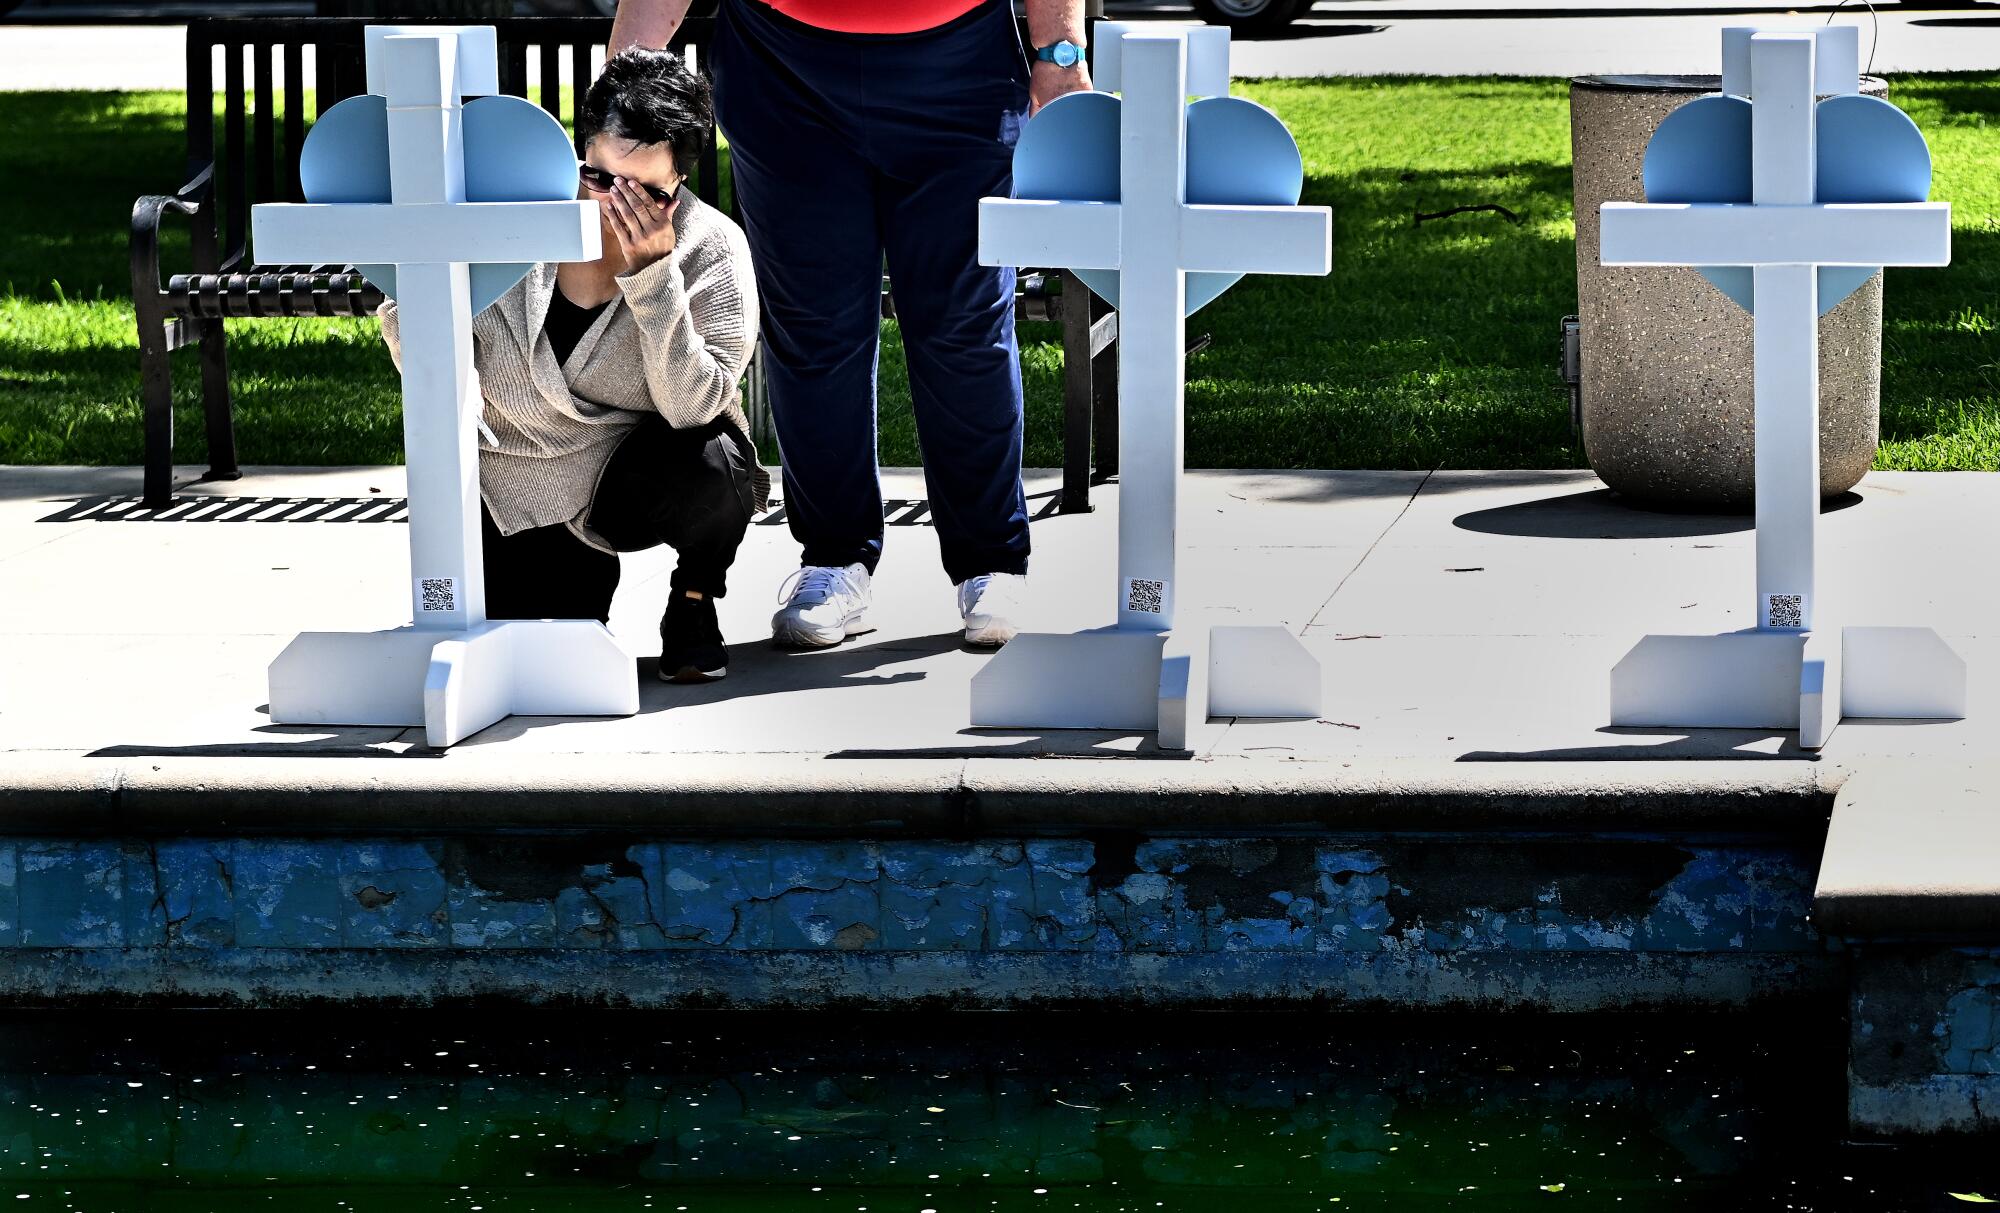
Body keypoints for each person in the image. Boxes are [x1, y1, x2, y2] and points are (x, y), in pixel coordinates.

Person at [611, 0, 1090, 649]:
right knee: (813, 328)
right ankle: (834, 559)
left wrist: (1059, 48)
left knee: (963, 322)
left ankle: (992, 561)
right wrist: (629, 78)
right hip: (783, 69)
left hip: (959, 66)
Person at [378, 47, 765, 683]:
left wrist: (653, 277)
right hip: (511, 472)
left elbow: (695, 408)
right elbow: (418, 316)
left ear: (682, 181)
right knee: (536, 662)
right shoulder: (520, 214)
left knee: (717, 466)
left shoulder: (712, 247)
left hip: (629, 470)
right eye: (601, 178)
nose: (618, 205)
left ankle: (694, 602)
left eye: (648, 192)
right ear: (580, 151)